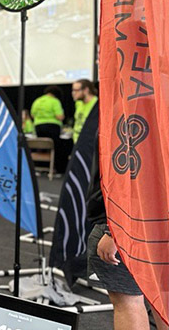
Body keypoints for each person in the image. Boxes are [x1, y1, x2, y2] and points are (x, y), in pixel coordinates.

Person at [86, 134, 168, 330]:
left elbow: (134, 173)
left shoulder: (126, 111)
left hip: (130, 225)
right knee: (162, 301)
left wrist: (114, 230)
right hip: (157, 222)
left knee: (129, 304)